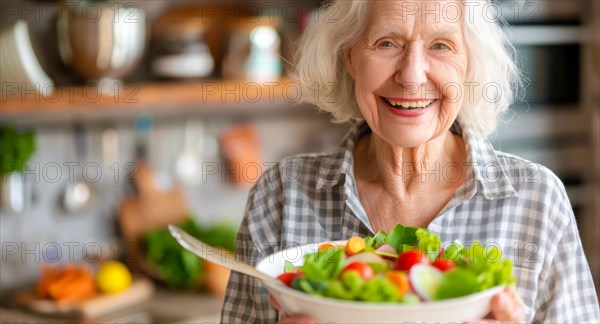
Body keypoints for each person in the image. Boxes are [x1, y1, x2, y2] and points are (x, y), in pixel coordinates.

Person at [220, 0, 600, 323]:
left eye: (441, 46)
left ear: (469, 65)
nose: (412, 76)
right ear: (350, 56)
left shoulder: (537, 198)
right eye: (386, 43)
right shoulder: (282, 192)